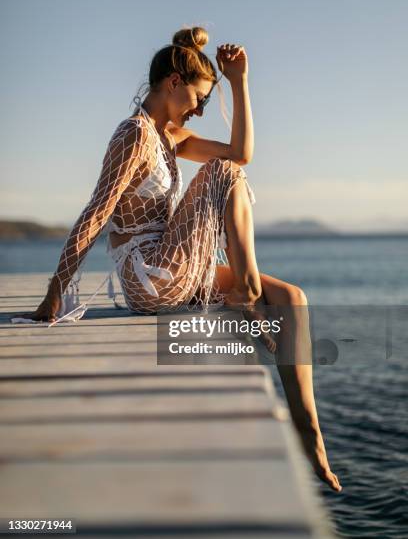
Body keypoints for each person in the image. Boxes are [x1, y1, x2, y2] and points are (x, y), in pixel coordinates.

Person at [19, 26, 342, 492]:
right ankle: (245, 292)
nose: (200, 109)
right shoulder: (133, 134)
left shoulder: (171, 137)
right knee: (221, 174)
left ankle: (309, 433)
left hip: (176, 264)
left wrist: (239, 81)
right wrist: (55, 292)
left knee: (292, 299)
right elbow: (97, 211)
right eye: (199, 97)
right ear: (173, 82)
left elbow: (241, 152)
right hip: (149, 273)